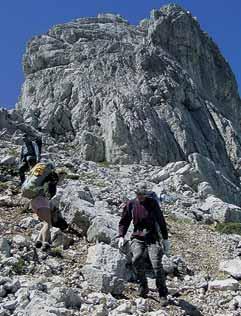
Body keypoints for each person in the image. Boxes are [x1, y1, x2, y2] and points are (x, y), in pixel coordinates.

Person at [118, 183, 170, 306]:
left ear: (146, 194)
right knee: (136, 258)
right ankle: (143, 285)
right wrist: (121, 235)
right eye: (138, 194)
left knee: (156, 265)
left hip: (152, 238)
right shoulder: (131, 204)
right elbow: (125, 221)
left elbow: (161, 221)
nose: (140, 197)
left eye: (142, 194)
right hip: (137, 237)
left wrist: (165, 239)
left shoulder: (153, 203)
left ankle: (162, 293)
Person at [23, 161, 59, 251]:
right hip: (41, 200)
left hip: (33, 202)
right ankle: (45, 243)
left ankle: (38, 241)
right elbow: (49, 191)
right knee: (48, 223)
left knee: (45, 223)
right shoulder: (49, 178)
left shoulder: (38, 176)